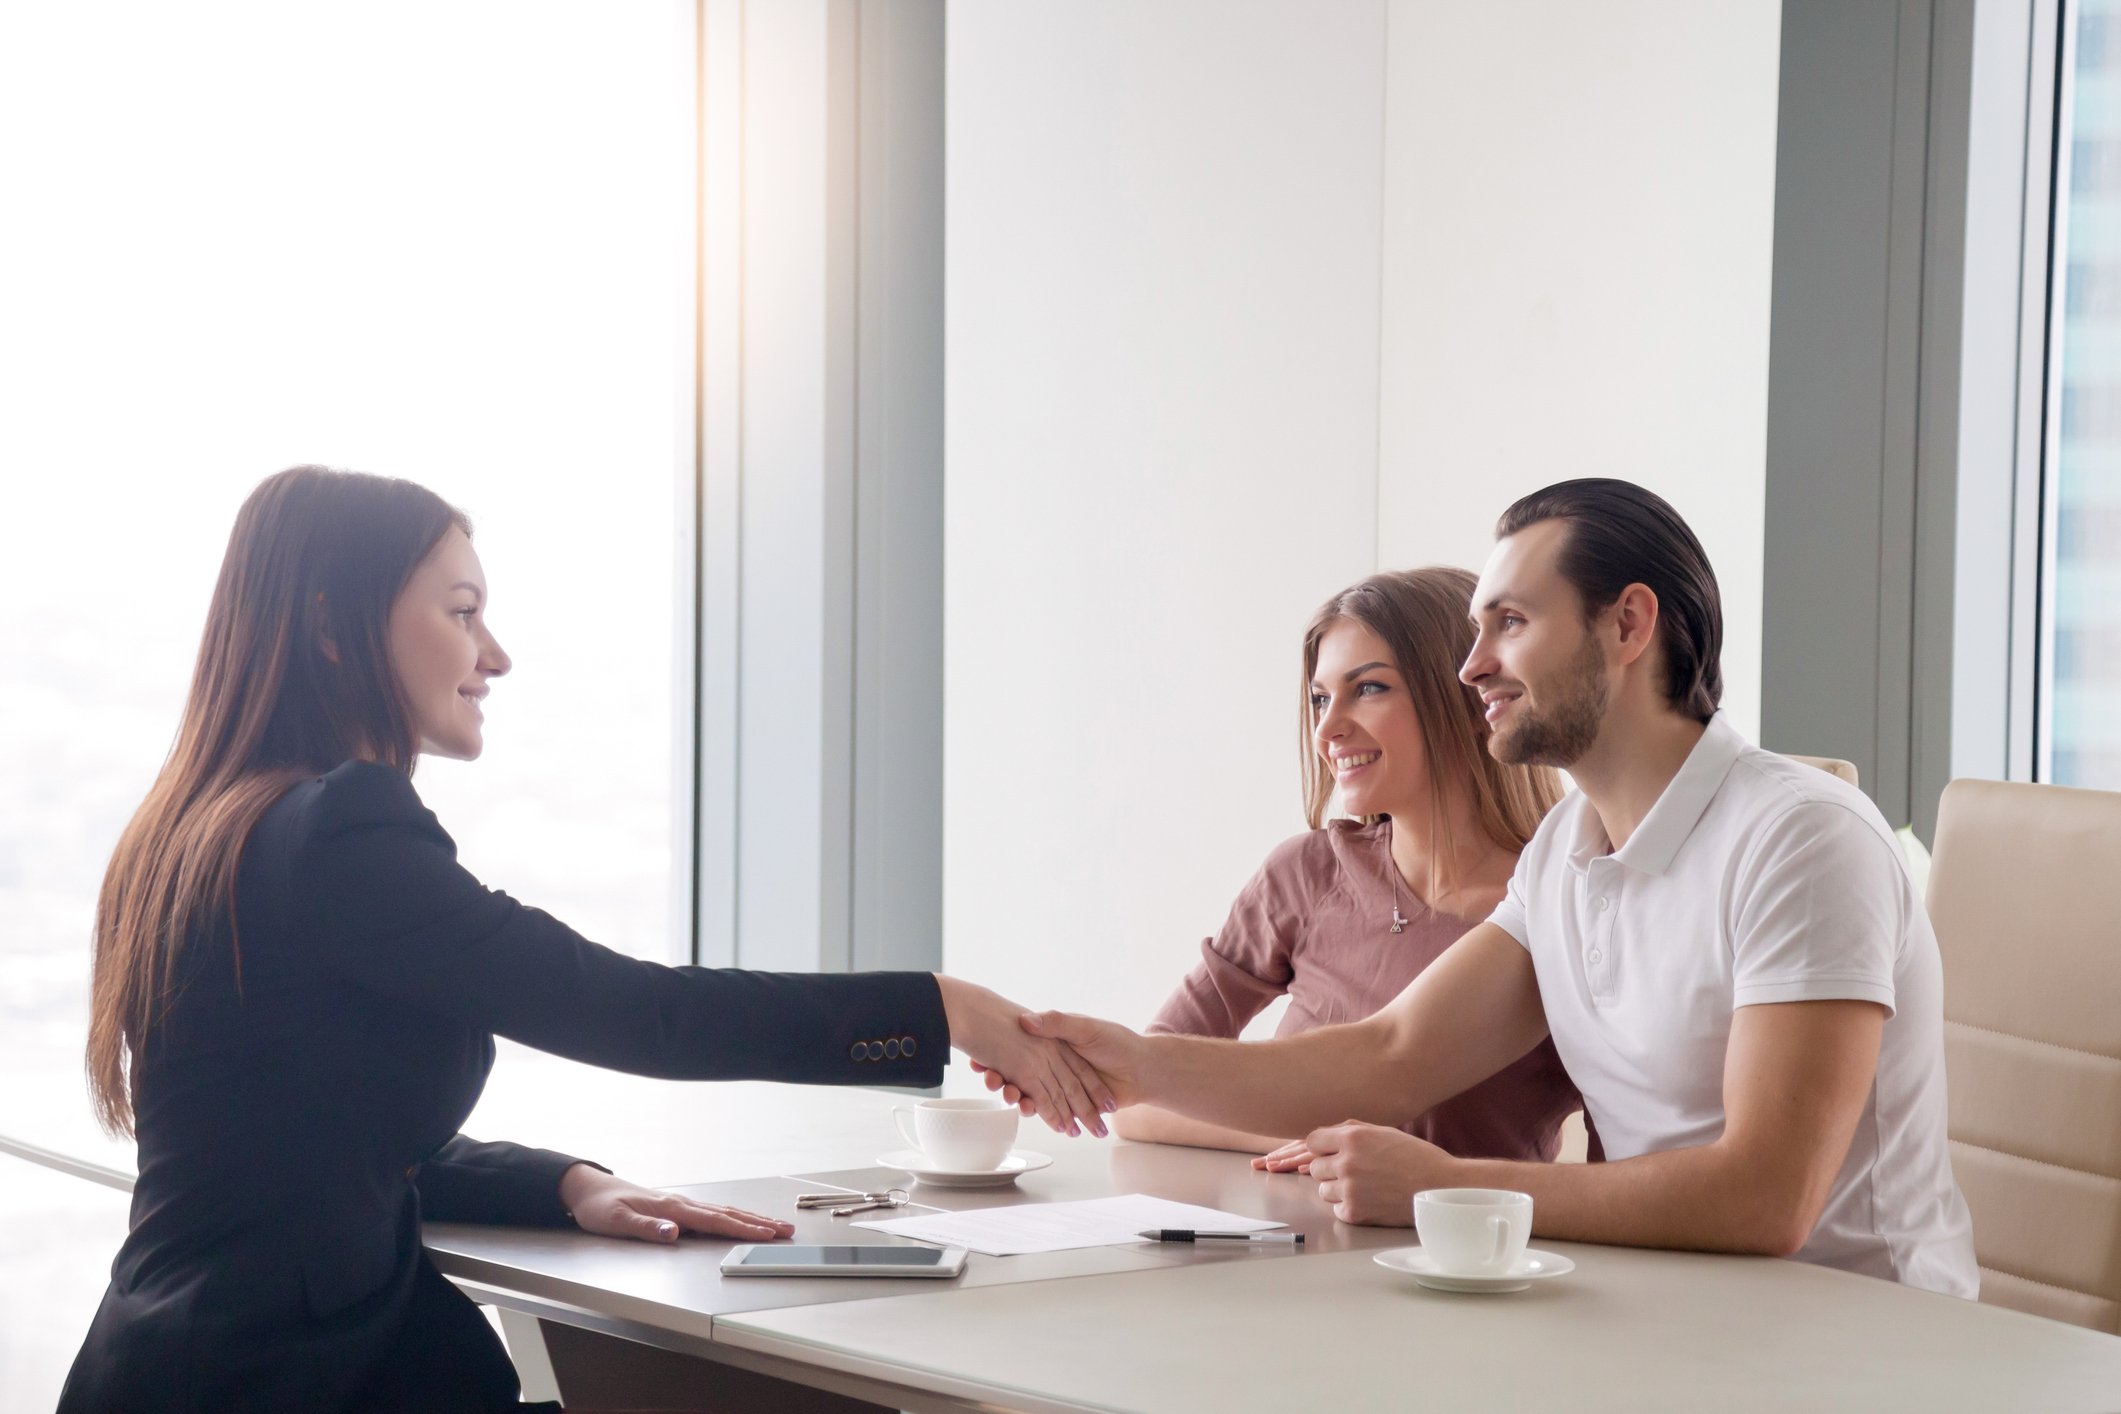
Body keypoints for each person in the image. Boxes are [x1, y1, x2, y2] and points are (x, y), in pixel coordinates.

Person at [60, 466, 1112, 1414]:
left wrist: (565, 1182)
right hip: (287, 1383)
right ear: (334, 627)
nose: (496, 655)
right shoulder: (342, 832)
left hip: (173, 1366)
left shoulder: (192, 834)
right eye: (463, 612)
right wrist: (945, 1008)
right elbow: (635, 1009)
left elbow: (303, 1141)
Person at [1013, 479, 1978, 1297]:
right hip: (1663, 1303)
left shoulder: (1799, 839)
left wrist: (1442, 1186)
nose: (1471, 666)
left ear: (1629, 624)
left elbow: (1765, 1199)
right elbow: (1392, 1052)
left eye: (1509, 623)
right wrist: (1132, 1064)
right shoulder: (1563, 848)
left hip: (1850, 1336)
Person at [1113, 567, 1589, 1168]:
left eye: (1368, 688)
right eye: (1319, 698)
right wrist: (1315, 1141)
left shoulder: (1566, 908)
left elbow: (1621, 1166)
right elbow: (1135, 1098)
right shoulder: (1305, 875)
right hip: (1278, 1249)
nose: (1327, 728)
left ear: (1475, 699)